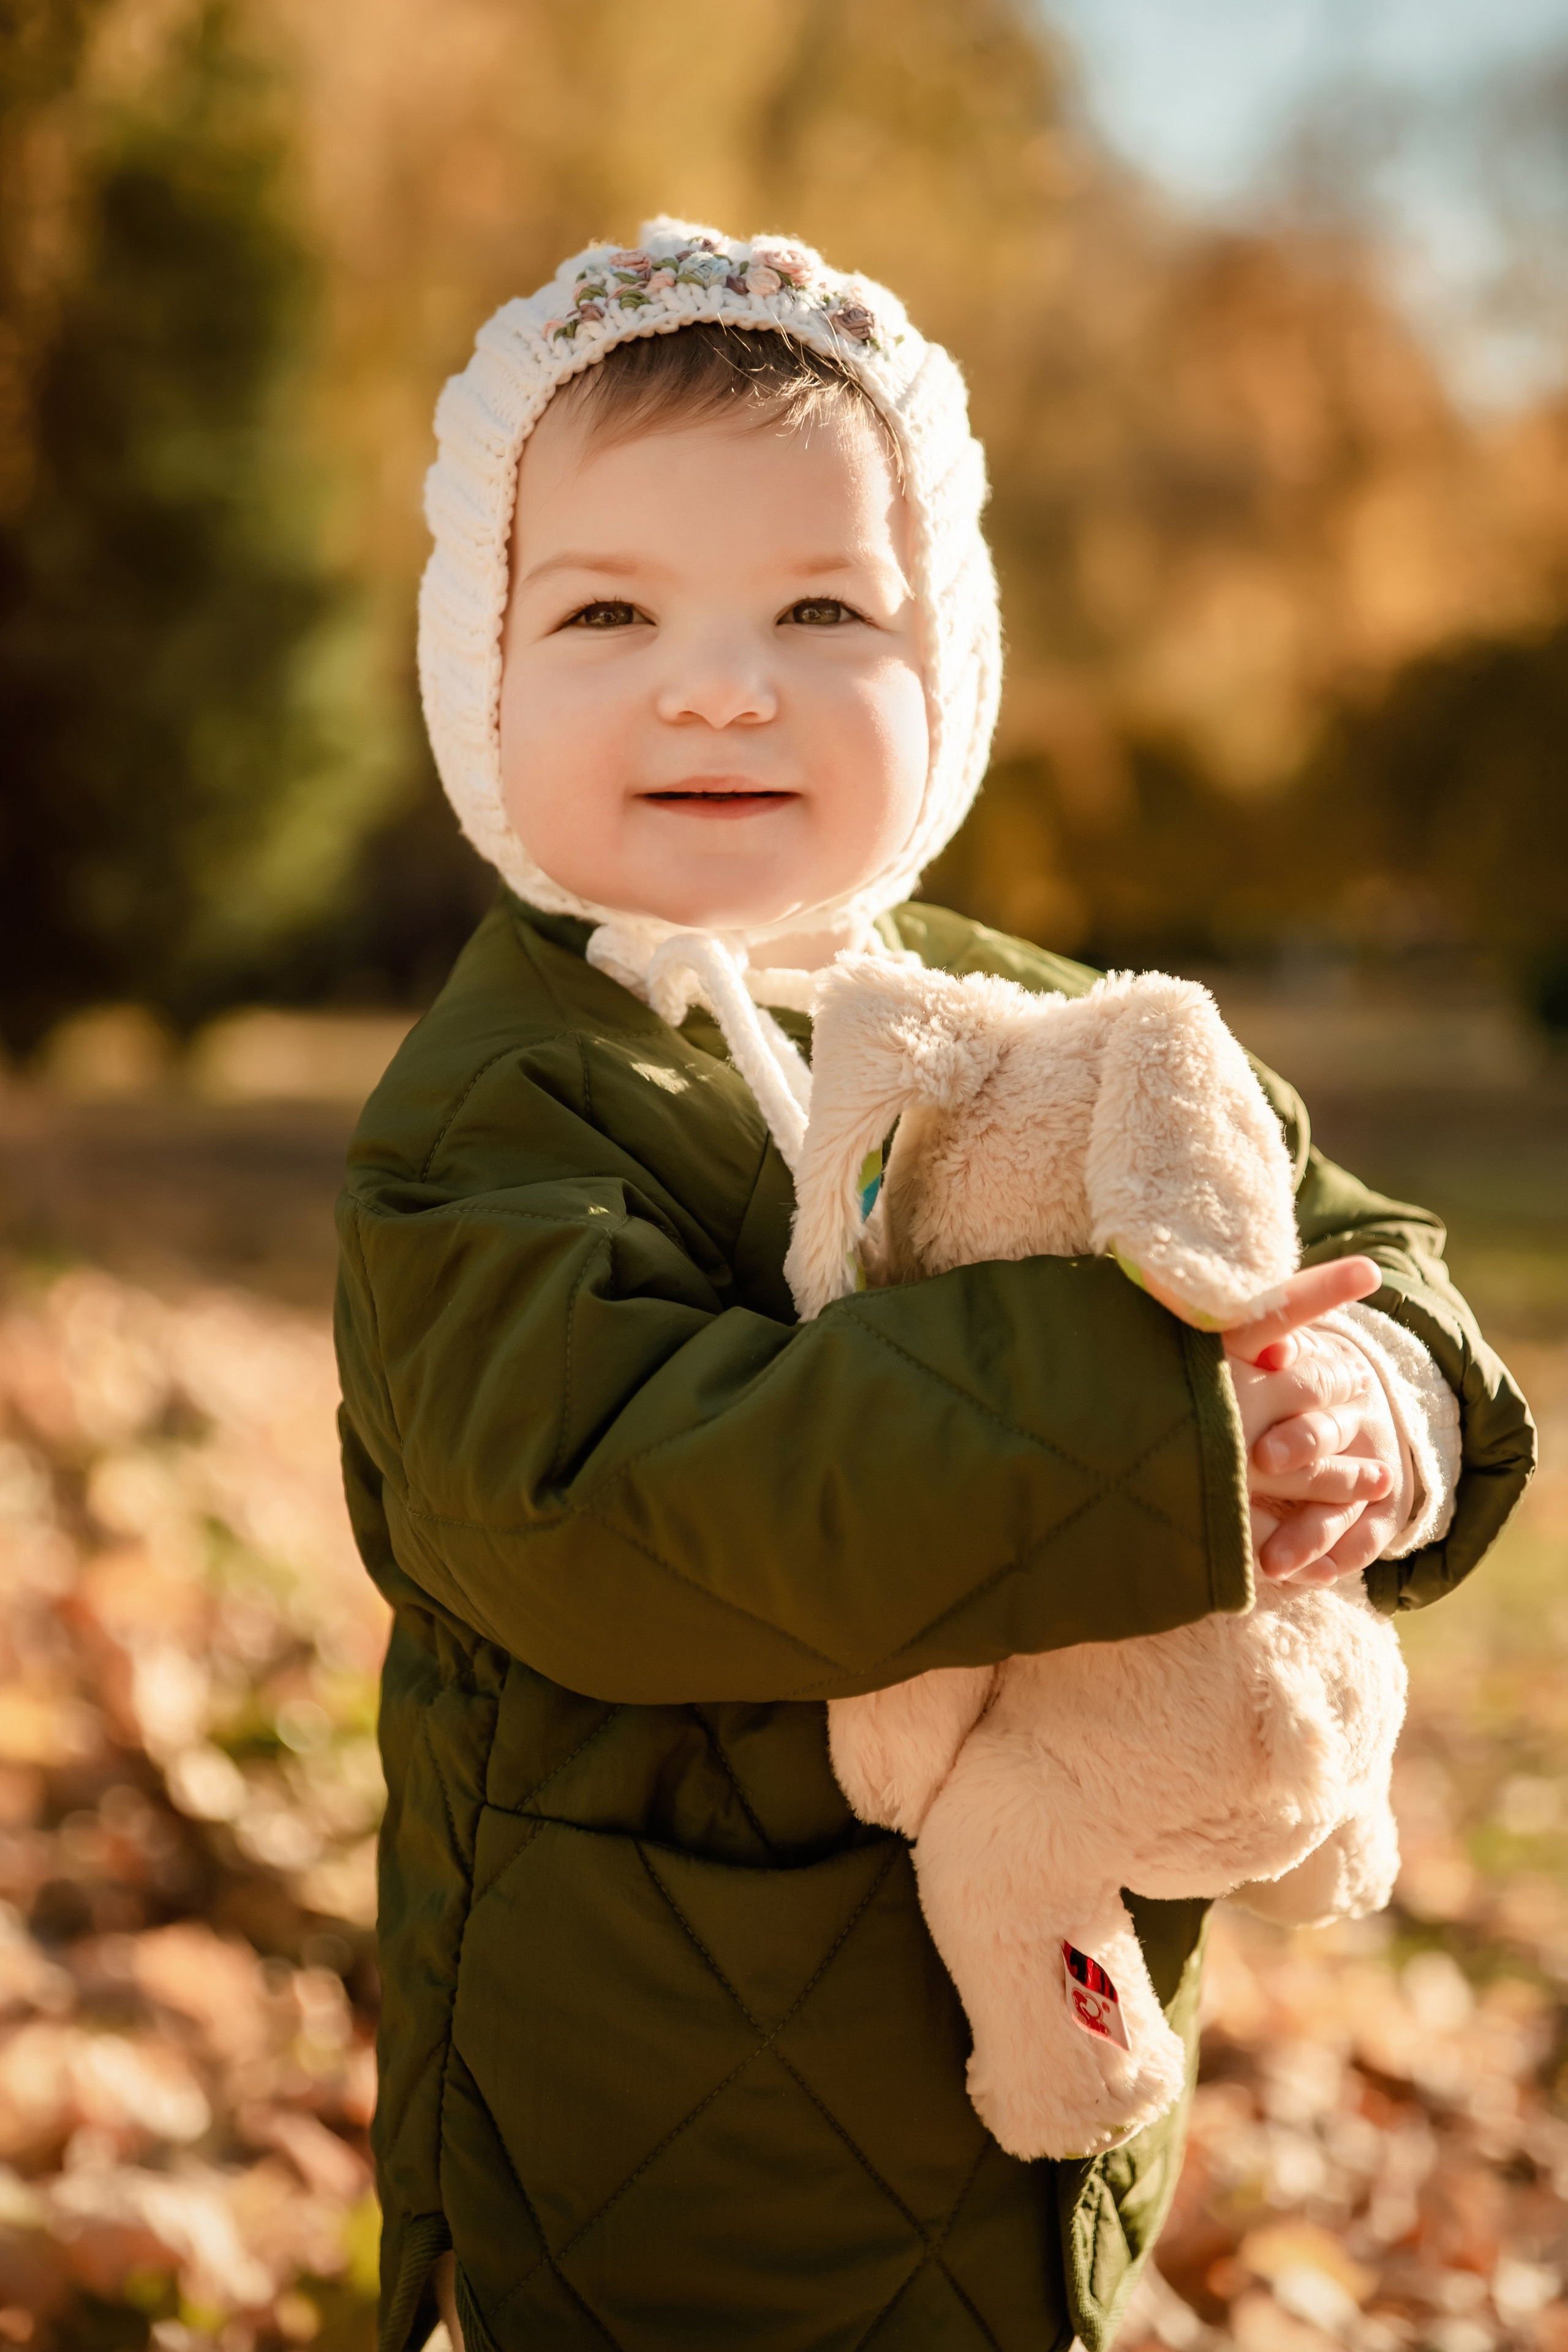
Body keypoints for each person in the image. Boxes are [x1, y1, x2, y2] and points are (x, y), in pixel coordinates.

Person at [334, 220, 1534, 2352]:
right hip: (653, 2086)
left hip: (1018, 2044)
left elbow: (1349, 1244)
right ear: (479, 677)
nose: (724, 680)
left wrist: (1383, 1414)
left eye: (824, 608)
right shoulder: (497, 1115)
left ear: (949, 667)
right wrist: (1157, 1430)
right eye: (611, 609)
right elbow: (615, 1502)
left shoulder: (1053, 1011)